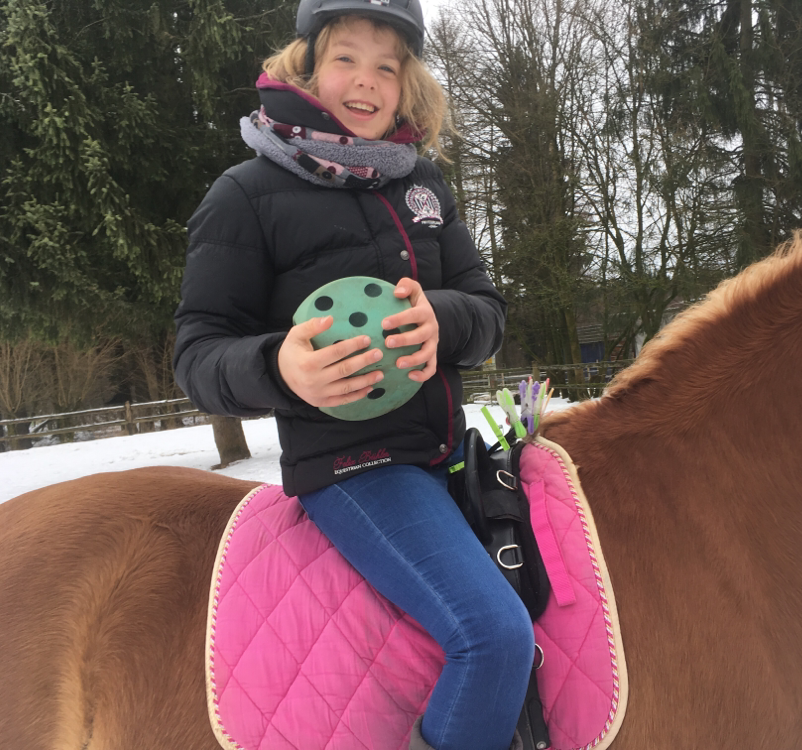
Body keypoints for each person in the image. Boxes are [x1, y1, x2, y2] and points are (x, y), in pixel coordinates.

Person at [172, 1, 533, 749]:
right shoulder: (243, 195)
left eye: (387, 66)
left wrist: (444, 318)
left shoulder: (423, 185)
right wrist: (281, 368)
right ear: (305, 65)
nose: (365, 82)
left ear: (407, 84)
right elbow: (198, 355)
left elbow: (487, 311)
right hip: (356, 472)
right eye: (345, 58)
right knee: (492, 636)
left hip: (448, 453)